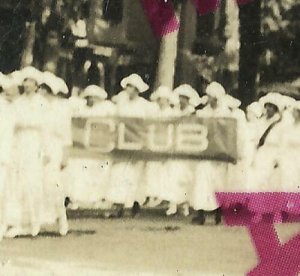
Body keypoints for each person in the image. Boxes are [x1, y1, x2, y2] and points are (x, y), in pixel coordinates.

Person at [4, 66, 48, 238]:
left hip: (34, 143)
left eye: (31, 82)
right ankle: (17, 222)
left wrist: (45, 150)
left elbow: (45, 127)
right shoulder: (18, 102)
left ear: (37, 85)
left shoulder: (42, 102)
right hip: (19, 143)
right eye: (26, 82)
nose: (28, 85)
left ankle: (34, 222)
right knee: (16, 183)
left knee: (32, 183)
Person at [105, 74, 151, 218]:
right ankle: (118, 207)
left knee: (136, 175)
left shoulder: (145, 106)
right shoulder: (121, 104)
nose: (128, 90)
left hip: (137, 144)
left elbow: (150, 124)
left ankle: (136, 206)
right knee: (119, 174)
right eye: (127, 87)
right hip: (122, 144)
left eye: (131, 87)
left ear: (137, 89)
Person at [65, 85, 116, 209]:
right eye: (89, 97)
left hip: (99, 149)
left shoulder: (105, 110)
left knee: (97, 174)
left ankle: (96, 199)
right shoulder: (81, 111)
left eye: (94, 97)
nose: (91, 100)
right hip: (83, 150)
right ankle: (77, 200)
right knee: (80, 172)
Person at [191, 82, 230, 225]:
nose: (209, 99)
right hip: (205, 151)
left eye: (211, 96)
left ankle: (218, 212)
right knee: (201, 180)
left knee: (218, 182)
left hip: (218, 153)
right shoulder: (203, 112)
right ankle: (200, 213)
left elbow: (228, 133)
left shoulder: (225, 113)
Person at [37, 71, 70, 235]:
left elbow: (66, 135)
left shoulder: (61, 109)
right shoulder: (38, 107)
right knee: (39, 184)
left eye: (44, 89)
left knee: (54, 184)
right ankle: (39, 220)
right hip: (39, 148)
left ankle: (62, 219)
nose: (41, 92)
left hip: (55, 148)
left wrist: (65, 155)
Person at [162, 84, 202, 216]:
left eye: (184, 97)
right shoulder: (174, 112)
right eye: (180, 97)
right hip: (175, 146)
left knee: (185, 177)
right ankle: (173, 204)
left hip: (187, 146)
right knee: (173, 175)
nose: (181, 100)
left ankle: (184, 205)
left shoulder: (193, 113)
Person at [144, 86, 179, 208]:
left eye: (163, 99)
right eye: (158, 99)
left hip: (168, 147)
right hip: (155, 146)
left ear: (168, 100)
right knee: (153, 172)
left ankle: (169, 201)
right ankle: (153, 196)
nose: (160, 101)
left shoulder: (173, 114)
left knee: (167, 174)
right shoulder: (154, 113)